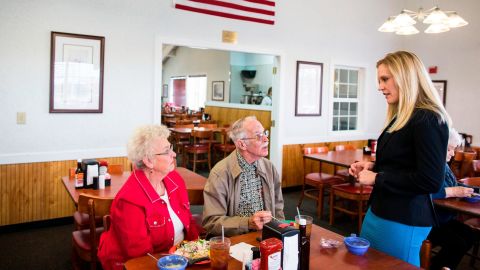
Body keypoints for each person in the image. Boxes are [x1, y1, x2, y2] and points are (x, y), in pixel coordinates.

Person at [349, 51, 451, 266]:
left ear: (406, 77)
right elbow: (403, 162)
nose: (380, 86)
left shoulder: (428, 118)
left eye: (385, 79)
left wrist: (376, 178)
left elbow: (430, 180)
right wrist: (372, 166)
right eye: (379, 80)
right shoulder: (402, 116)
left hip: (405, 218)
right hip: (381, 211)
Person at [98, 125, 199, 270]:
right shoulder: (129, 200)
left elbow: (189, 221)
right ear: (148, 161)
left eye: (171, 148)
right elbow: (141, 256)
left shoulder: (175, 180)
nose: (174, 154)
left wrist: (198, 253)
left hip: (181, 259)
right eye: (166, 151)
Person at [202, 116, 284, 237]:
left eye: (265, 133)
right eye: (258, 136)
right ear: (242, 144)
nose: (266, 139)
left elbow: (278, 208)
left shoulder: (269, 167)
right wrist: (248, 223)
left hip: (265, 238)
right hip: (234, 241)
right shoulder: (220, 173)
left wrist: (280, 232)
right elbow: (212, 222)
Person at [428, 128, 475, 270]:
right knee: (458, 243)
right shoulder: (430, 166)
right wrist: (453, 191)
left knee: (470, 235)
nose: (452, 154)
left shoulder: (443, 165)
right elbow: (427, 194)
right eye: (449, 150)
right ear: (439, 147)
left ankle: (441, 265)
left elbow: (455, 184)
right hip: (429, 221)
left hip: (443, 218)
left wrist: (473, 190)